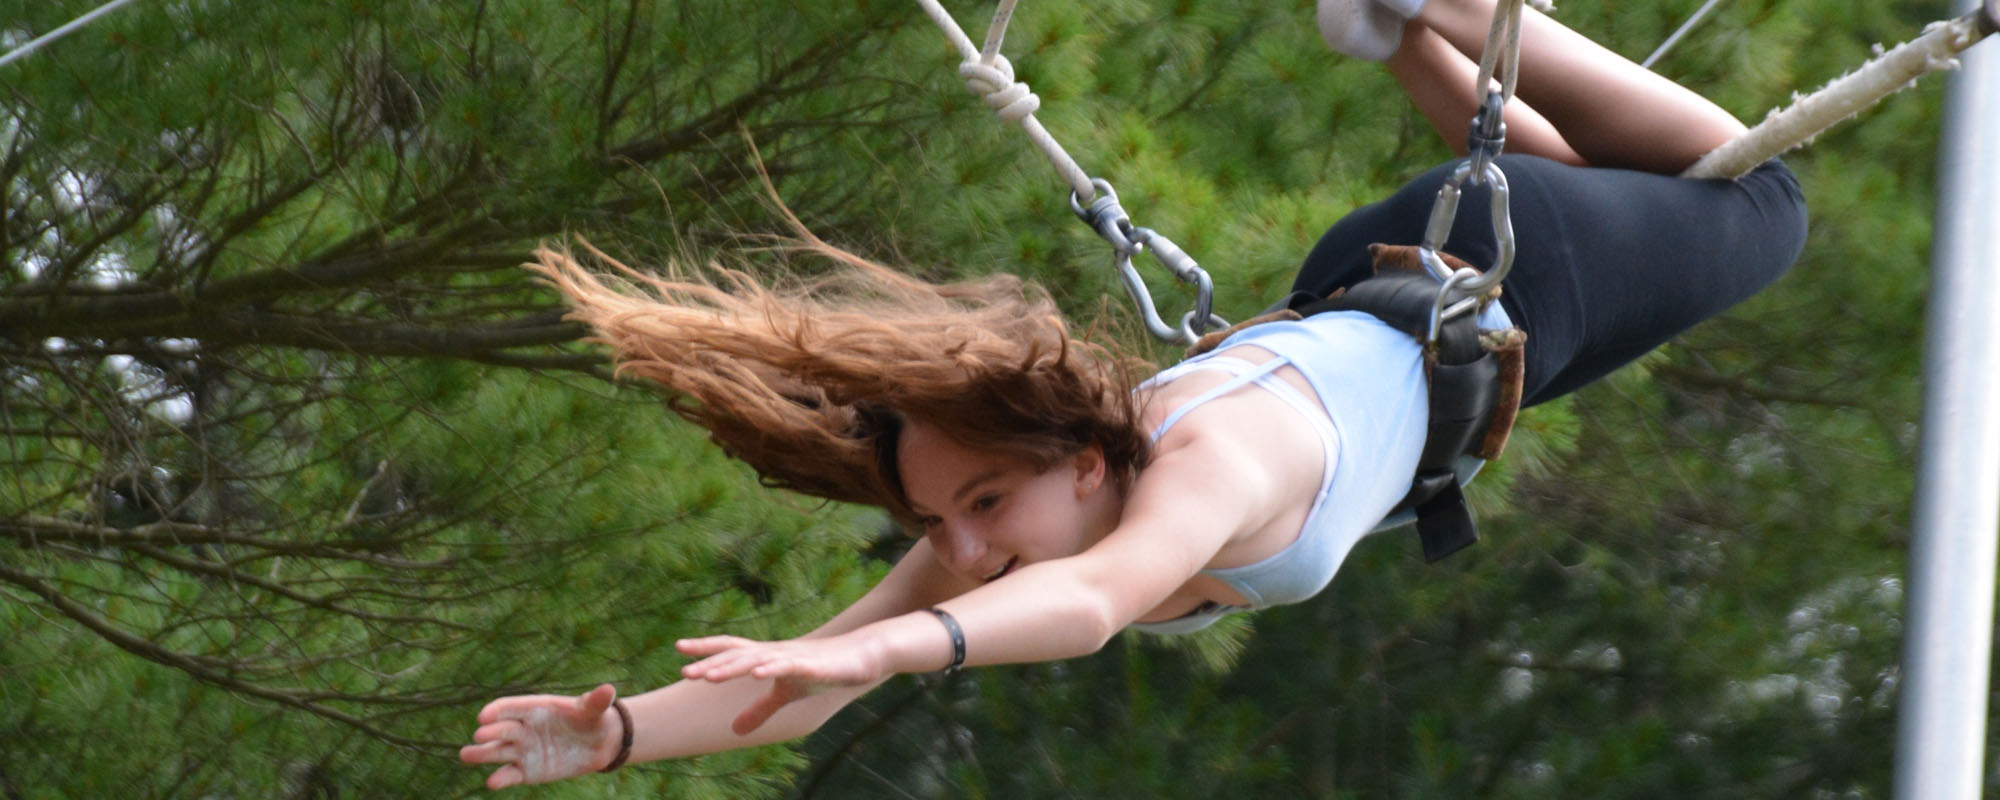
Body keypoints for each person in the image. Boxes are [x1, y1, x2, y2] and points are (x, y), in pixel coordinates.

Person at [459, 0, 1808, 788]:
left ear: (1088, 463)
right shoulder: (1015, 528)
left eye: (981, 506)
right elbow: (798, 691)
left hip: (1520, 277)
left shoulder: (1200, 471)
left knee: (1760, 195)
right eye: (942, 525)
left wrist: (874, 645)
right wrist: (616, 733)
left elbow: (1094, 608)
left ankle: (1437, 9)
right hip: (1383, 283)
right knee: (1630, 173)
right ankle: (1400, 29)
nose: (966, 550)